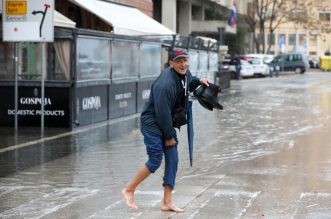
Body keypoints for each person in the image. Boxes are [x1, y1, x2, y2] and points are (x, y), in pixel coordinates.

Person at [122, 48, 210, 212]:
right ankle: (129, 189)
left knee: (173, 160)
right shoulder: (165, 84)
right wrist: (169, 136)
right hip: (153, 124)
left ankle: (167, 202)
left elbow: (189, 82)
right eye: (178, 61)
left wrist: (199, 80)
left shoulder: (184, 73)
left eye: (185, 60)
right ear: (171, 63)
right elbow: (162, 113)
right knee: (155, 160)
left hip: (166, 123)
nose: (183, 64)